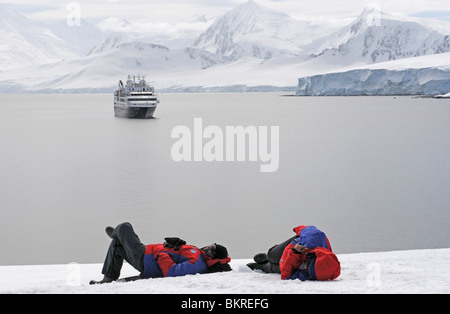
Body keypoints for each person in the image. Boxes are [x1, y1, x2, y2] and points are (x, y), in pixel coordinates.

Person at [90, 222, 232, 285]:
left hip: (146, 259)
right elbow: (178, 257)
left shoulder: (198, 264)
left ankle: (117, 233)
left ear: (214, 258)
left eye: (212, 250)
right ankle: (108, 278)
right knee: (117, 245)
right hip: (147, 255)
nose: (208, 248)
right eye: (212, 245)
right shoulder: (198, 254)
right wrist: (176, 245)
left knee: (124, 227)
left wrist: (161, 254)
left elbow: (172, 272)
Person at [247, 225, 340, 281]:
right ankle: (267, 257)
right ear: (312, 256)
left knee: (274, 267)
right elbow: (309, 230)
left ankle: (262, 266)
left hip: (290, 258)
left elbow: (285, 275)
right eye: (307, 263)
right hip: (290, 246)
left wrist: (294, 253)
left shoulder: (312, 274)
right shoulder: (313, 238)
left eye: (307, 271)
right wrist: (298, 231)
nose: (304, 267)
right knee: (273, 255)